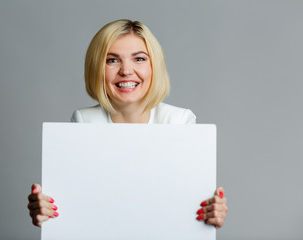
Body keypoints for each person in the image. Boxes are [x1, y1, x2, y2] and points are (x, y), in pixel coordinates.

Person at [27, 19, 228, 229]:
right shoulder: (84, 121)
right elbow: (82, 205)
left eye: (139, 59)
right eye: (112, 60)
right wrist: (48, 210)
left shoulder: (179, 122)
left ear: (154, 66)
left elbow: (186, 202)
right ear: (97, 68)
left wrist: (211, 211)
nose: (126, 71)